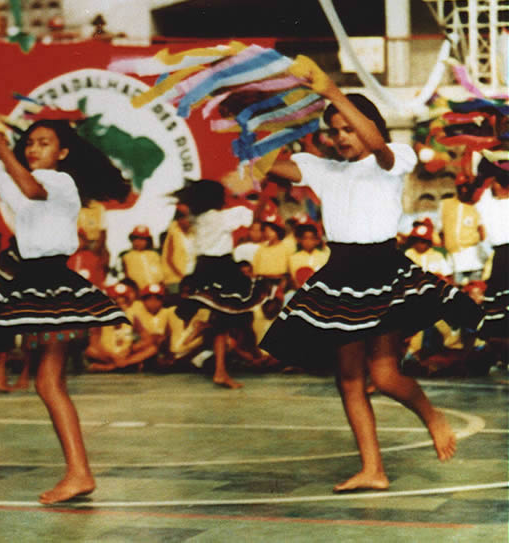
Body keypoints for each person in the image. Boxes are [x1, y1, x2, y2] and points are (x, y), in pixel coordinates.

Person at [257, 57, 484, 493]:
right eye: (335, 131)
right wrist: (253, 115)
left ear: (365, 123)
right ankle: (372, 468)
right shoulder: (324, 169)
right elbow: (268, 163)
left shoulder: (394, 156)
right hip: (339, 274)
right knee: (348, 379)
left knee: (383, 376)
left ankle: (431, 415)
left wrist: (333, 93)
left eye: (348, 128)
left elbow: (377, 145)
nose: (342, 138)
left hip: (382, 272)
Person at [0, 119, 131, 504]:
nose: (34, 149)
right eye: (30, 144)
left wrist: (2, 146)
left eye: (44, 143)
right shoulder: (19, 181)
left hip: (52, 284)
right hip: (33, 281)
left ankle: (80, 473)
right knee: (48, 383)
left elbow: (33, 189)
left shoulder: (60, 181)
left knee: (49, 384)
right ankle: (78, 471)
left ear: (62, 152)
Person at [173, 179, 264, 389]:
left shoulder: (198, 217)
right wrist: (264, 195)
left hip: (203, 266)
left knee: (224, 322)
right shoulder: (222, 217)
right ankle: (206, 328)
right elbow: (254, 218)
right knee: (235, 315)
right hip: (222, 267)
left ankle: (219, 369)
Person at [474, 161, 509, 360]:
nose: (492, 185)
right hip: (500, 258)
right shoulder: (488, 203)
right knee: (497, 315)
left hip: (504, 256)